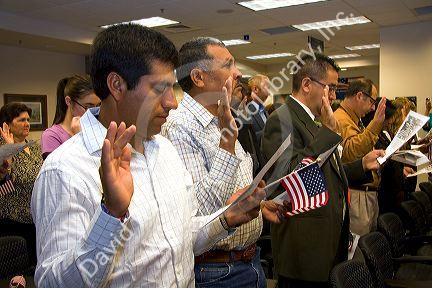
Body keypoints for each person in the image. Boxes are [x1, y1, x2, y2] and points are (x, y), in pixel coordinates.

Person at [31, 24, 272, 287]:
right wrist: (111, 214)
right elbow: (55, 283)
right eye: (159, 89)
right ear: (117, 85)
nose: (173, 102)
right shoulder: (66, 170)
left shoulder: (163, 149)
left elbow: (182, 237)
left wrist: (226, 218)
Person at [162, 37, 287, 287]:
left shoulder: (220, 117)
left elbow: (230, 194)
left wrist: (257, 207)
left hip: (248, 261)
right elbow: (200, 213)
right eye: (228, 65)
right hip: (216, 270)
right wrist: (227, 144)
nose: (238, 73)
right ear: (199, 78)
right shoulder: (179, 128)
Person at [261, 53, 384, 287]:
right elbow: (289, 180)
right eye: (330, 88)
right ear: (307, 84)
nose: (333, 96)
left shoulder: (314, 119)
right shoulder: (282, 119)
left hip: (325, 243)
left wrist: (361, 165)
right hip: (303, 251)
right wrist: (328, 133)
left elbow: (326, 172)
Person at [333, 79, 386, 235]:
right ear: (359, 96)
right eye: (371, 102)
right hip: (357, 194)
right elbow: (350, 152)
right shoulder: (340, 118)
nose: (372, 108)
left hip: (366, 193)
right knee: (360, 250)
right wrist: (375, 125)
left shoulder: (354, 119)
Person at [0, 103, 43, 266]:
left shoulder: (34, 147)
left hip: (34, 219)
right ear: (7, 125)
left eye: (28, 119)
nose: (27, 123)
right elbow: (4, 186)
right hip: (12, 223)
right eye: (21, 120)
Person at [41, 75, 100, 159]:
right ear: (68, 101)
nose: (92, 113)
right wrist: (79, 138)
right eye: (87, 107)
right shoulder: (51, 136)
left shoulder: (95, 131)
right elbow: (61, 169)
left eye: (97, 106)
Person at [248, 74, 271, 144]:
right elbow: (249, 140)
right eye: (267, 88)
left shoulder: (264, 110)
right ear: (255, 89)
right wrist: (271, 130)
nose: (269, 93)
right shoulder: (245, 112)